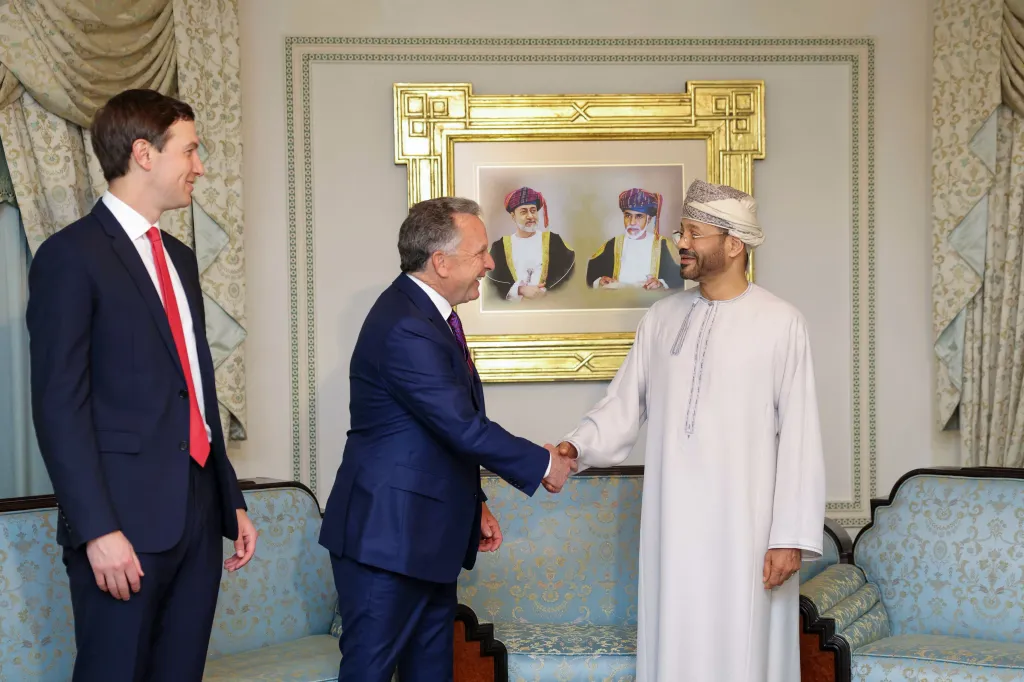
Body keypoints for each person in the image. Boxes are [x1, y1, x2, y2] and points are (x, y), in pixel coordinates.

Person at [25, 88, 257, 682]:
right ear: (144, 154)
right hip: (121, 525)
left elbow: (195, 386)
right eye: (191, 151)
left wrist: (228, 498)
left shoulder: (178, 258)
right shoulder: (68, 257)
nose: (200, 167)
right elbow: (59, 407)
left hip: (197, 517)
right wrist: (98, 530)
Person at [554, 179, 826, 681]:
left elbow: (802, 435)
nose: (680, 242)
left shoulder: (781, 323)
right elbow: (623, 401)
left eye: (694, 233)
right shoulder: (662, 317)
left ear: (733, 244)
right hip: (673, 524)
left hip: (747, 530)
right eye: (681, 231)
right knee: (675, 639)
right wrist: (575, 446)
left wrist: (788, 536)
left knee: (744, 650)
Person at [318, 196, 577, 682]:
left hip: (423, 537)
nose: (490, 262)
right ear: (441, 261)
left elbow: (433, 434)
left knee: (431, 673)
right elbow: (461, 425)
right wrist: (543, 464)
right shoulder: (405, 326)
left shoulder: (426, 315)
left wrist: (473, 502)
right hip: (387, 540)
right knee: (369, 673)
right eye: (479, 252)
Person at [586, 187, 685, 290]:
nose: (632, 222)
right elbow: (592, 274)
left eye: (638, 216)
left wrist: (660, 283)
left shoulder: (663, 245)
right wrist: (600, 280)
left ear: (649, 219)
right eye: (628, 216)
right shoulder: (614, 244)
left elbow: (680, 277)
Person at [487, 186, 575, 301]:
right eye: (523, 212)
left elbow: (569, 272)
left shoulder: (554, 241)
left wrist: (545, 292)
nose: (530, 216)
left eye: (533, 210)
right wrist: (520, 290)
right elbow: (491, 281)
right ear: (513, 216)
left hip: (548, 305)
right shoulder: (499, 247)